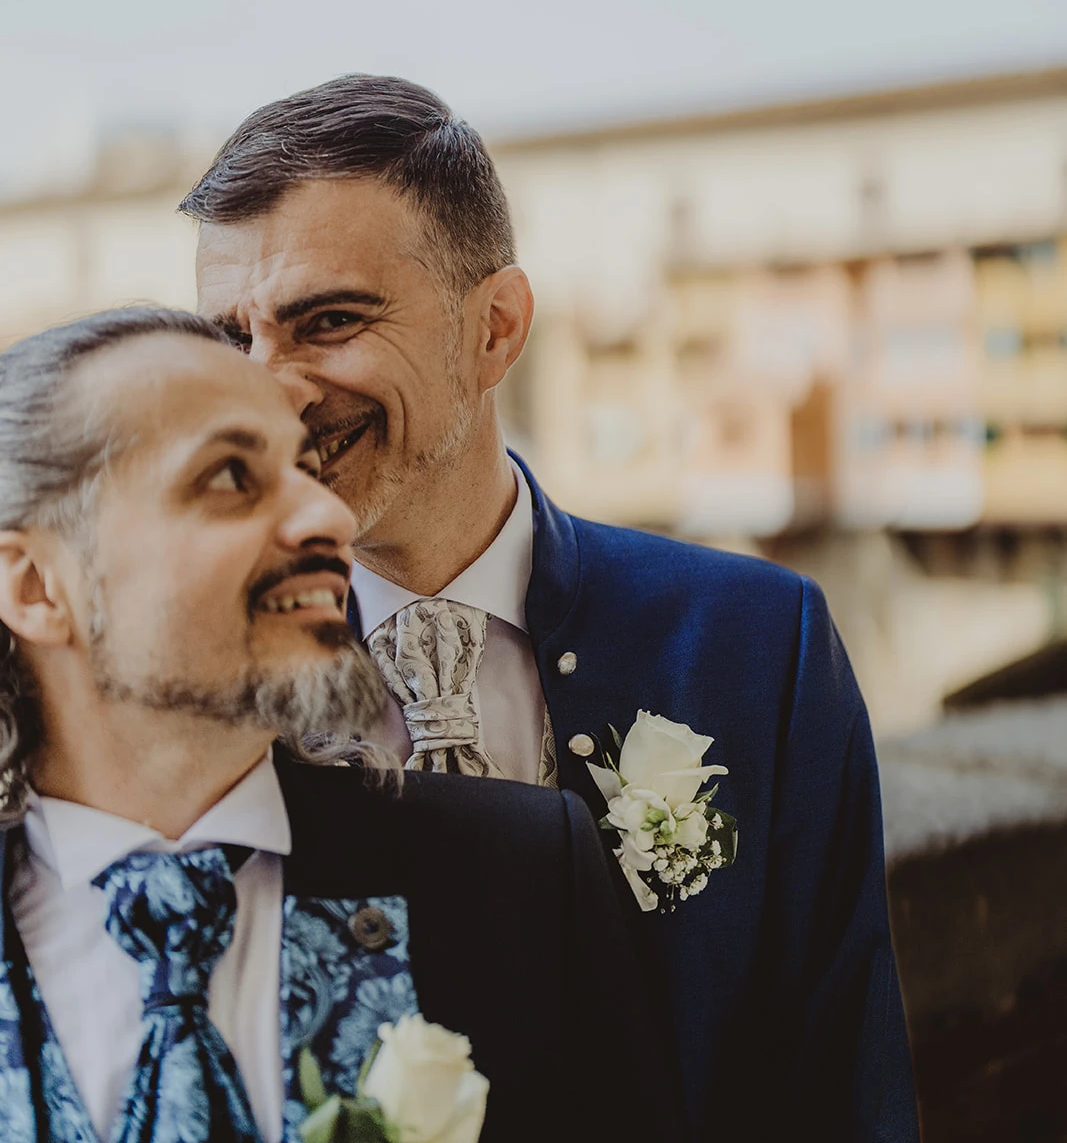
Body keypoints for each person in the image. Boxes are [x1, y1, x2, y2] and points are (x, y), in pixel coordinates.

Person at [185, 75, 920, 1142]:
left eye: (327, 321)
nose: (268, 388)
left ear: (495, 328)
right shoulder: (195, 682)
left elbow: (840, 1080)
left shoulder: (761, 647)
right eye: (231, 339)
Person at [0, 308, 671, 1143]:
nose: (330, 522)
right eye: (229, 479)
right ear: (34, 586)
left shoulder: (519, 875)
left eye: (306, 471)